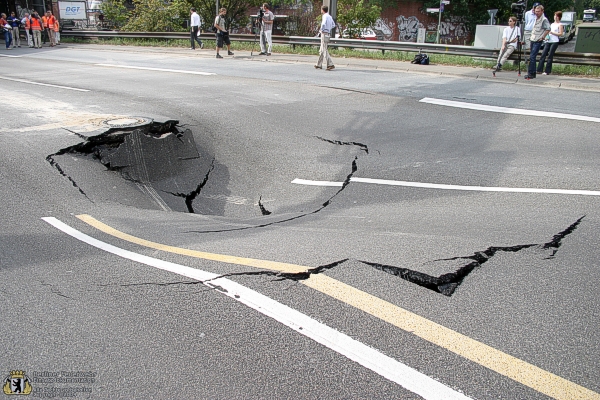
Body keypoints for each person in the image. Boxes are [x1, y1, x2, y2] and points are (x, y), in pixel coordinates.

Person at [525, 5, 550, 80]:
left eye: (538, 11)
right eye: (536, 11)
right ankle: (531, 72)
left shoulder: (544, 19)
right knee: (531, 56)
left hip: (538, 40)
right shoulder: (535, 18)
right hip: (533, 38)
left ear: (542, 11)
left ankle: (531, 73)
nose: (537, 13)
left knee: (532, 56)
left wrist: (543, 37)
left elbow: (548, 29)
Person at [537, 11, 563, 75]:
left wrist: (553, 33)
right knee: (543, 54)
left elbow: (560, 33)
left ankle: (547, 71)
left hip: (554, 41)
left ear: (559, 17)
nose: (555, 17)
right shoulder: (552, 24)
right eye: (555, 16)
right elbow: (548, 32)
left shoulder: (560, 25)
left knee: (550, 56)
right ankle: (539, 69)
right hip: (548, 41)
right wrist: (546, 37)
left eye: (557, 16)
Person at [314, 5, 335, 70]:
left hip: (324, 33)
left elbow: (323, 24)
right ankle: (319, 64)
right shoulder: (330, 16)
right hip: (328, 34)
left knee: (324, 49)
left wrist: (322, 30)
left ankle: (330, 64)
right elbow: (333, 25)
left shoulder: (324, 16)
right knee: (322, 49)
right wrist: (328, 29)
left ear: (322, 10)